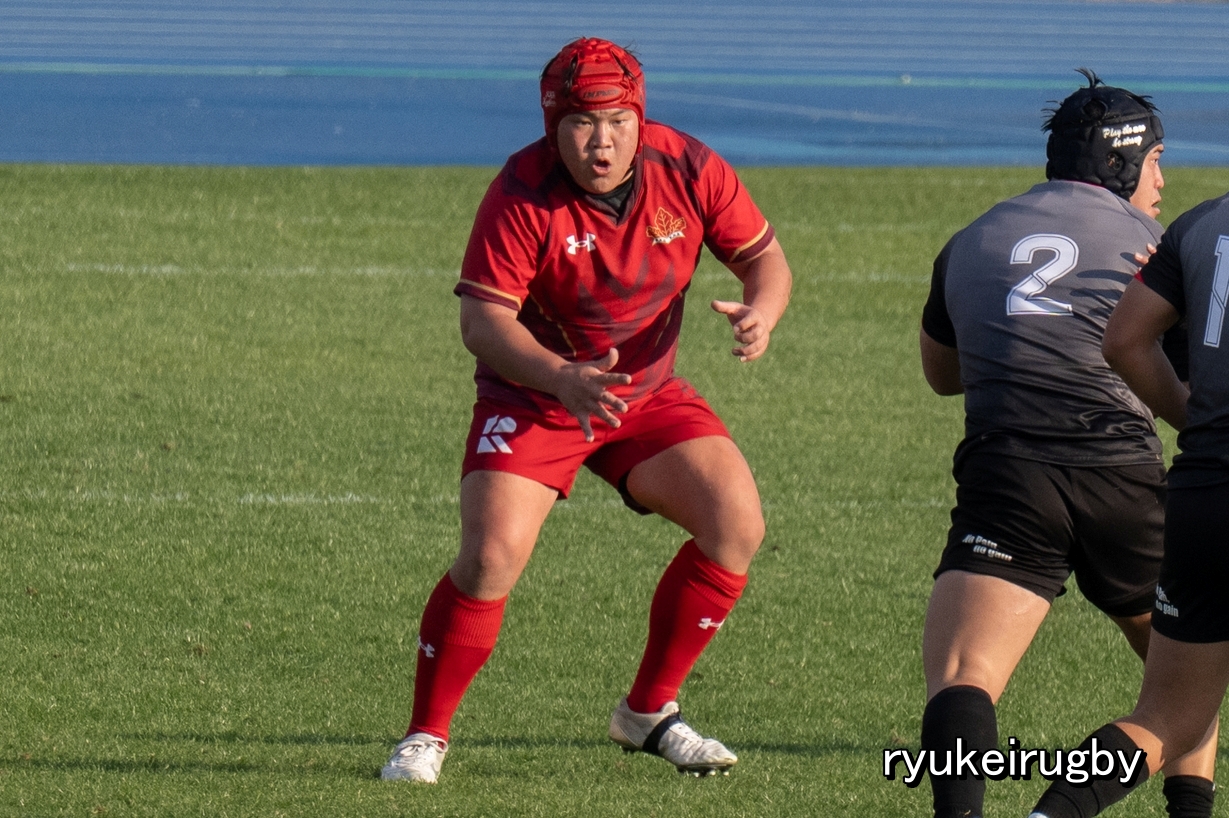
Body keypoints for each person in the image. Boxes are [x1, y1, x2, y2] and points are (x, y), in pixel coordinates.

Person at [380, 37, 792, 784]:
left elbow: (765, 258)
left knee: (736, 524)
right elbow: (482, 322)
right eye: (580, 123)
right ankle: (424, 736)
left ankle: (647, 714)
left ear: (640, 119)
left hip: (645, 395)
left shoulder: (689, 167)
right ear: (552, 124)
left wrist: (762, 310)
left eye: (616, 121)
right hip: (535, 396)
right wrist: (560, 377)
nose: (600, 142)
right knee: (489, 558)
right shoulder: (521, 191)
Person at [917, 69, 1216, 818]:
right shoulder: (1158, 245)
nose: (1161, 180)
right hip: (1122, 477)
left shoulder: (972, 237)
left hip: (1008, 473)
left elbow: (941, 375)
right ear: (1121, 161)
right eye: (1155, 160)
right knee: (1178, 688)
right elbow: (1186, 376)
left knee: (964, 673)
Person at [1025, 177, 1229, 818]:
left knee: (1166, 717)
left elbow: (1123, 340)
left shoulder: (1199, 225)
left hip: (1205, 494)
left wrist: (1197, 424)